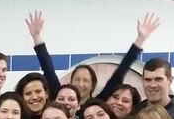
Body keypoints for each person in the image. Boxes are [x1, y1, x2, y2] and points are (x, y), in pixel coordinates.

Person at [26, 11, 159, 104]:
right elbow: (48, 70)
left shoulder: (97, 104)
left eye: (85, 80)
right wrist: (37, 37)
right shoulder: (60, 100)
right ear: (71, 82)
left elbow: (120, 73)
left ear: (93, 85)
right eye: (77, 79)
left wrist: (140, 39)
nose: (80, 84)